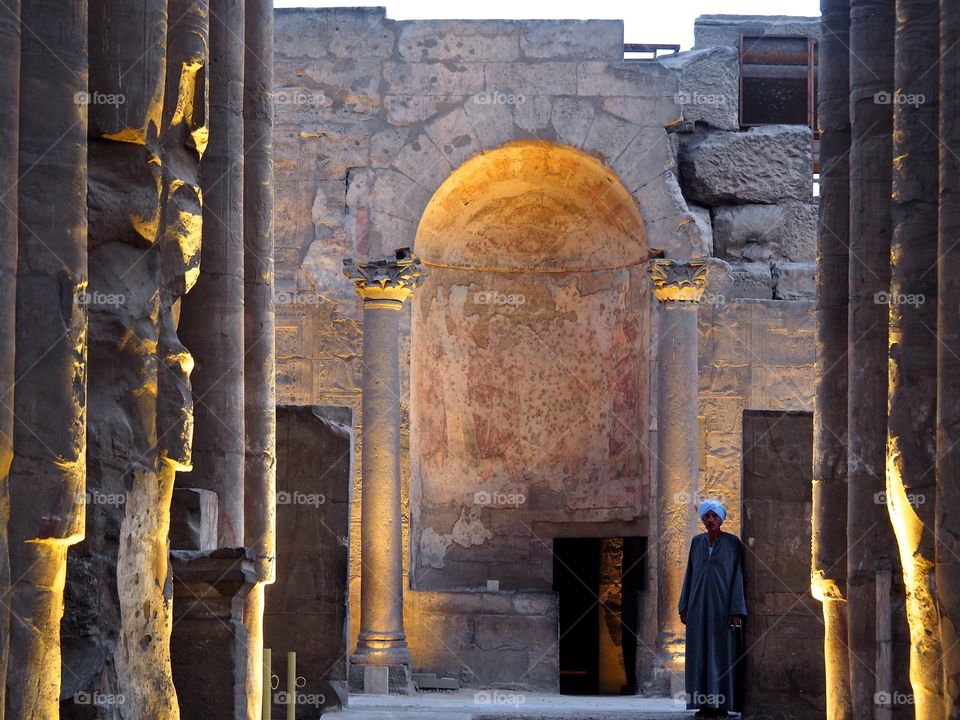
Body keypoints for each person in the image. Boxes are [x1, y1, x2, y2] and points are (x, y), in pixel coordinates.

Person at [678, 499, 747, 718]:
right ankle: (703, 706)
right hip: (698, 608)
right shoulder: (697, 542)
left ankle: (722, 706)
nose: (710, 520)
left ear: (721, 519)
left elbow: (737, 576)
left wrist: (736, 610)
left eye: (714, 516)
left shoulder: (733, 544)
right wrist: (684, 604)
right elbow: (690, 573)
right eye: (707, 516)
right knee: (699, 655)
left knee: (721, 655)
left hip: (722, 609)